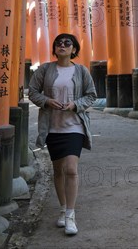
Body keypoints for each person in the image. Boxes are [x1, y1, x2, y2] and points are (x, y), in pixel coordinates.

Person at [28, 33, 96, 236]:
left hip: (74, 126)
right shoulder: (45, 70)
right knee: (58, 171)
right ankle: (62, 208)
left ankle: (70, 216)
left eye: (67, 43)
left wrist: (76, 105)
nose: (62, 45)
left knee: (71, 169)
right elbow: (32, 91)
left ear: (74, 49)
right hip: (52, 127)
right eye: (58, 43)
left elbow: (91, 95)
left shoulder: (81, 71)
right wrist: (46, 101)